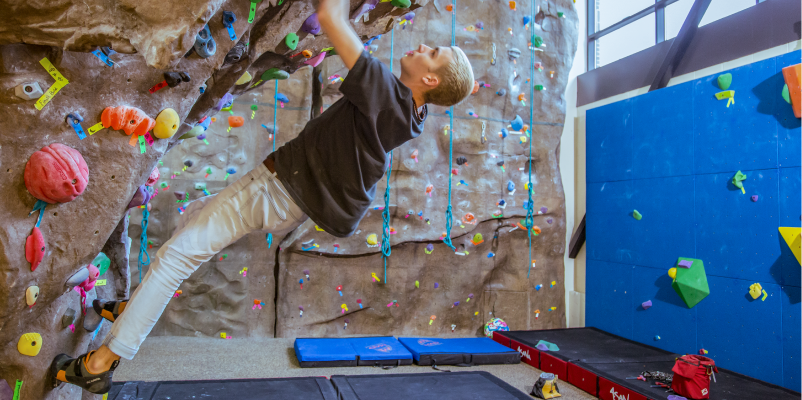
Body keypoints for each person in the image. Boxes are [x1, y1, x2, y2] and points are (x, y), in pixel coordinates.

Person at [51, 0, 474, 393]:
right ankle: (131, 309)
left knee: (176, 259)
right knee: (195, 218)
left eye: (433, 51)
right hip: (284, 198)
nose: (423, 46)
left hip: (273, 190)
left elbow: (331, 18)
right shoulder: (411, 114)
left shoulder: (387, 94)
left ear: (431, 80)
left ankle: (101, 363)